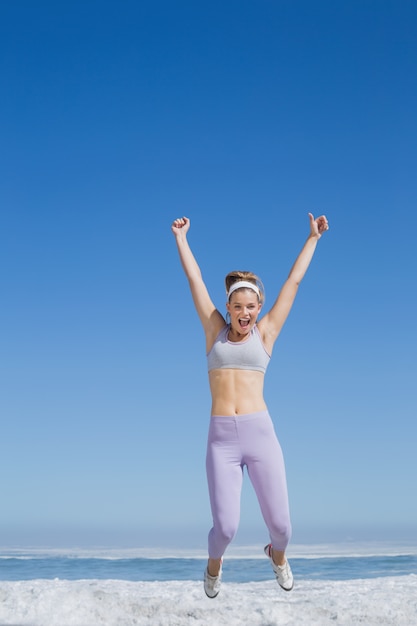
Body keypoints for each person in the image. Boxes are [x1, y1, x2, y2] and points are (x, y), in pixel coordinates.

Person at [171, 213, 329, 598]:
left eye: (252, 306)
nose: (245, 313)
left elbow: (293, 282)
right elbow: (194, 280)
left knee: (283, 528)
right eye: (238, 306)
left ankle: (276, 556)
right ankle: (214, 564)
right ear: (228, 306)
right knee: (224, 529)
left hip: (261, 435)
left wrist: (312, 238)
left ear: (259, 308)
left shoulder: (267, 334)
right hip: (221, 439)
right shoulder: (214, 332)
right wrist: (181, 238)